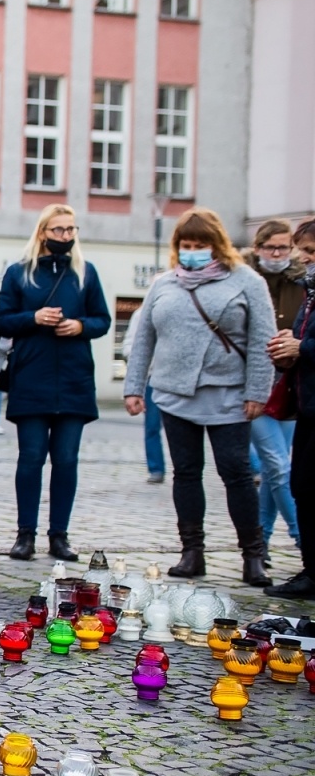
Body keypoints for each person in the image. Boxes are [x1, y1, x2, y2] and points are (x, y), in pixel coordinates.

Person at [123, 208, 277, 584]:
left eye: (200, 245)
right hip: (174, 394)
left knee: (236, 473)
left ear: (216, 245)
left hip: (229, 395)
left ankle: (253, 556)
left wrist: (258, 391)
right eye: (186, 245)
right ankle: (192, 552)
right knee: (186, 474)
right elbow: (144, 338)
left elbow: (262, 342)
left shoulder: (247, 281)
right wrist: (134, 386)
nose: (192, 251)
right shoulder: (165, 283)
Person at [0, 204, 112, 562]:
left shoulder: (85, 273)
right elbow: (1, 321)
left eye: (71, 230)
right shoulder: (19, 273)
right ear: (43, 232)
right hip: (32, 376)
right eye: (58, 230)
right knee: (30, 458)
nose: (65, 236)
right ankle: (24, 534)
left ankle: (59, 535)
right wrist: (34, 317)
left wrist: (80, 326)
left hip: (74, 378)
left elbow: (102, 320)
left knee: (66, 459)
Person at [244, 219, 305, 554]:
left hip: (291, 385)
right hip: (256, 384)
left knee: (272, 471)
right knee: (279, 466)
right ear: (258, 248)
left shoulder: (301, 281)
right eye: (271, 247)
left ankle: (260, 544)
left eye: (284, 247)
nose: (278, 253)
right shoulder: (246, 280)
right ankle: (302, 538)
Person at [266, 219, 315, 597]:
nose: (303, 258)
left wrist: (303, 347)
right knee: (302, 485)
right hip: (306, 405)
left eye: (311, 252)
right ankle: (310, 570)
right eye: (304, 251)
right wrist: (289, 345)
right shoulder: (309, 292)